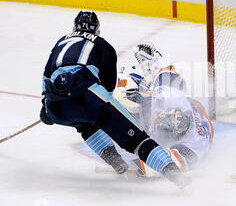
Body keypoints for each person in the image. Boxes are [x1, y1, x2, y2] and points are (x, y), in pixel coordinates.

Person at [39, 11, 191, 189]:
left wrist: (47, 109)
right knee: (137, 140)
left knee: (85, 124)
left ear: (74, 27)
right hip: (88, 98)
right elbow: (108, 87)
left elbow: (46, 78)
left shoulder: (60, 42)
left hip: (55, 105)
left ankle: (115, 161)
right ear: (97, 30)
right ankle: (174, 174)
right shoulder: (103, 45)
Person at [116, 42, 214, 176]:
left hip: (191, 147)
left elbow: (169, 84)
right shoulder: (160, 100)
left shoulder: (162, 95)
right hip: (195, 142)